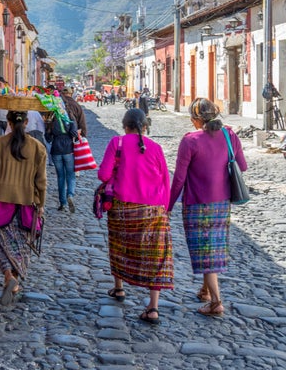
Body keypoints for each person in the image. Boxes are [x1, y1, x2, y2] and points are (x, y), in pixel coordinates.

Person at [168, 98, 247, 317]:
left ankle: (216, 302)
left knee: (205, 250)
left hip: (196, 203)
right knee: (213, 246)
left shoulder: (190, 141)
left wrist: (169, 205)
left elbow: (179, 179)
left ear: (196, 119)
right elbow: (243, 166)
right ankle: (204, 290)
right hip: (222, 203)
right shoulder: (229, 135)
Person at [98, 108, 172, 325]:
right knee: (156, 256)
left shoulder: (117, 143)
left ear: (124, 125)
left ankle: (119, 288)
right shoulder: (156, 148)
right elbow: (165, 180)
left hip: (124, 208)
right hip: (154, 210)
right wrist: (164, 209)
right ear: (145, 126)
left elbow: (103, 174)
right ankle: (153, 307)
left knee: (120, 247)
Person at [0, 111, 47, 305]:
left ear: (8, 122)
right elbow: (41, 182)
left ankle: (8, 276)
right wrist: (41, 205)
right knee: (21, 246)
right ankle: (13, 279)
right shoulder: (38, 148)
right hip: (26, 205)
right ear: (27, 121)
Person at [45, 111, 78, 212]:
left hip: (56, 149)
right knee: (71, 175)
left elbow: (48, 138)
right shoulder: (70, 117)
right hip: (68, 149)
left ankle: (62, 203)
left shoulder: (51, 119)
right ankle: (70, 195)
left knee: (60, 177)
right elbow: (74, 134)